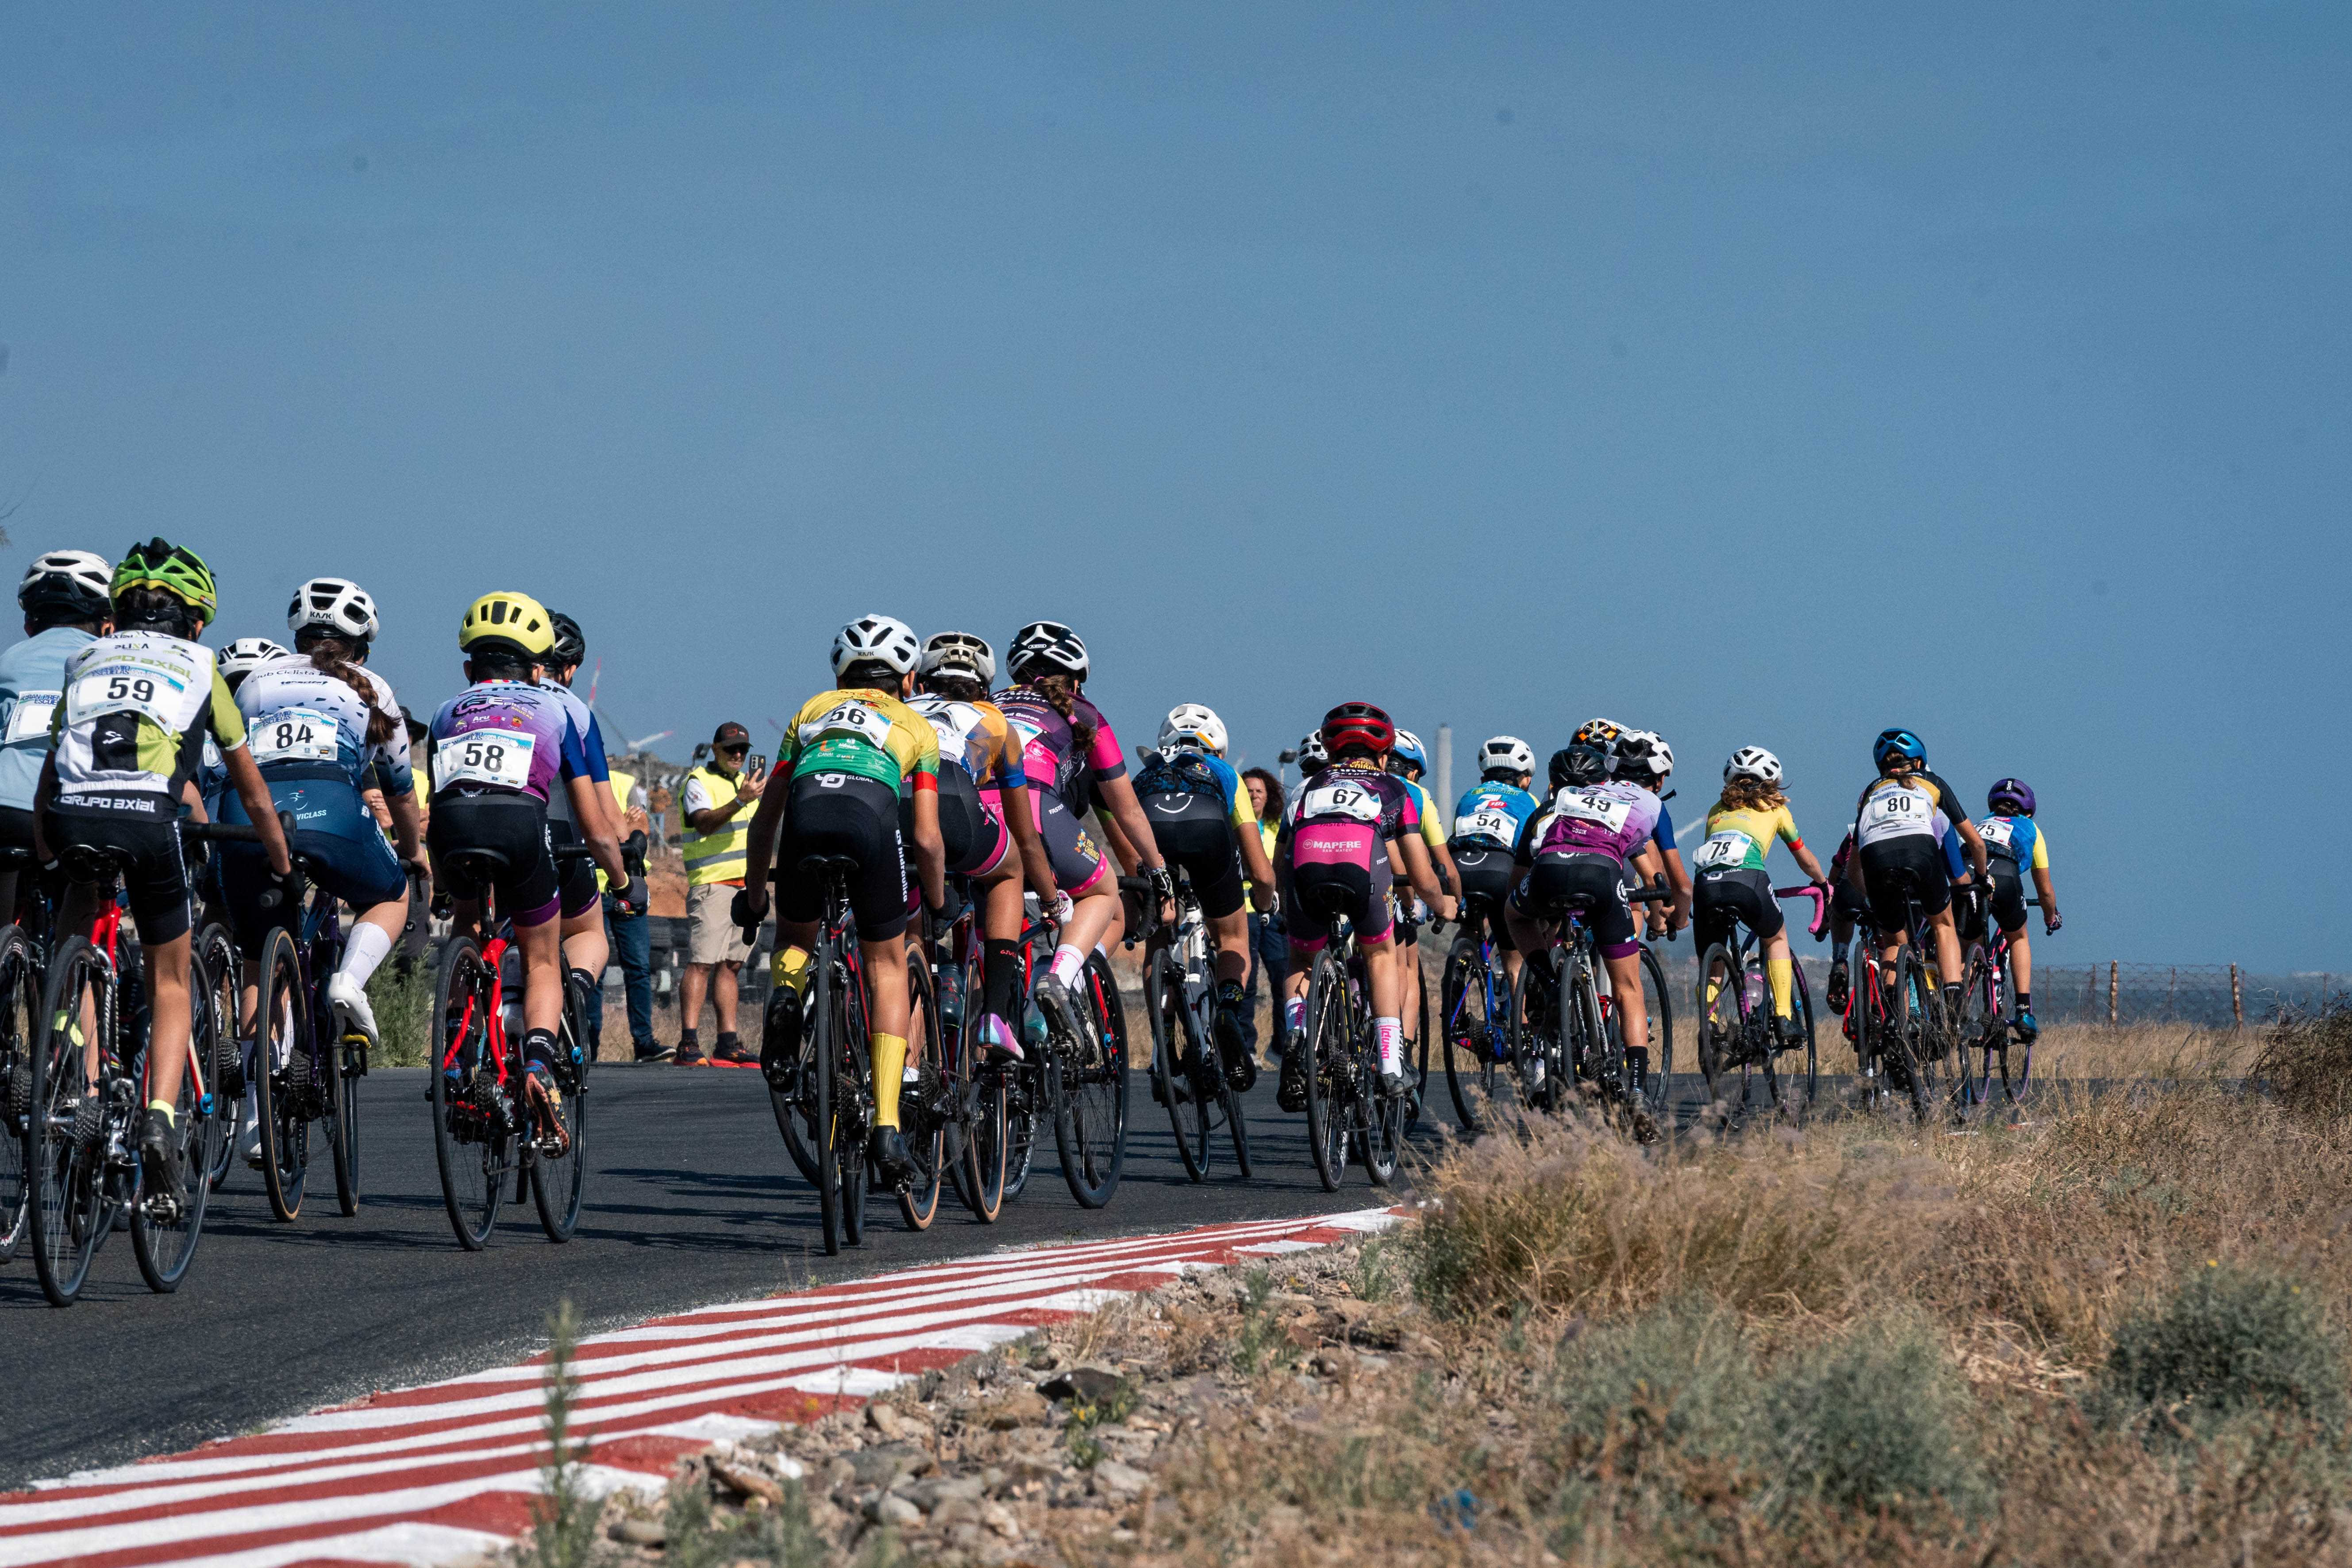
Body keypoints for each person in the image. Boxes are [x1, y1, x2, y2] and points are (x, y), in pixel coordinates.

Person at [34, 539, 293, 1214]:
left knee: (77, 920)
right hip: (151, 819)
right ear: (198, 621)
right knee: (171, 980)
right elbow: (251, 786)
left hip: (72, 814)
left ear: (118, 613)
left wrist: (46, 841)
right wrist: (279, 857)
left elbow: (51, 767)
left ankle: (79, 1079)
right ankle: (159, 1117)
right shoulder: (202, 665)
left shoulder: (81, 656)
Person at [734, 613, 946, 1184]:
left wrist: (754, 899)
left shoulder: (810, 711)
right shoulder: (916, 726)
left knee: (797, 937)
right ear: (907, 679)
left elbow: (764, 821)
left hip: (806, 817)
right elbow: (925, 837)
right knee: (885, 966)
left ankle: (785, 994)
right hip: (870, 822)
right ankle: (885, 1124)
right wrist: (937, 897)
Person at [426, 592, 640, 1141]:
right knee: (549, 956)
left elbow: (439, 803)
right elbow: (598, 825)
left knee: (468, 930)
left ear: (469, 667)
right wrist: (622, 882)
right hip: (530, 829)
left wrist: (443, 890)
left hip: (452, 833)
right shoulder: (564, 708)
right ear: (541, 667)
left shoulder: (446, 709)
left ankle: (456, 1052)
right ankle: (541, 1062)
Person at [990, 621, 1174, 1039]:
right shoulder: (1084, 713)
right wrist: (1157, 869)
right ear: (1077, 679)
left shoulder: (989, 704)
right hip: (1034, 806)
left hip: (975, 816)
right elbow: (1126, 810)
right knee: (1102, 892)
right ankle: (1060, 979)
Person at [1275, 702, 1455, 1106]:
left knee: (1302, 960)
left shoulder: (1305, 787)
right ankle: (1391, 1063)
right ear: (1384, 753)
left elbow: (1279, 859)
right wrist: (1442, 905)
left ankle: (1298, 1034)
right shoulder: (1394, 788)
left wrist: (1285, 907)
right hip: (1362, 870)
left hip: (1306, 869)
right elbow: (1420, 871)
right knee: (1379, 956)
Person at [905, 631, 1057, 1069]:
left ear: (920, 682)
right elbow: (1025, 836)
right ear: (985, 688)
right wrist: (1048, 899)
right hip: (951, 802)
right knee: (1007, 870)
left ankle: (907, 1070)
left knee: (905, 949)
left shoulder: (901, 710)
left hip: (890, 810)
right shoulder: (993, 720)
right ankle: (994, 1015)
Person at [1505, 741, 1664, 1096]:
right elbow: (1651, 875)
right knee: (1628, 989)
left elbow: (1516, 883)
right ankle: (1637, 1091)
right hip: (1604, 881)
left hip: (1549, 876)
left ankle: (1549, 983)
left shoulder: (1548, 809)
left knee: (1516, 916)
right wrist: (1660, 907)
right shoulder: (1620, 806)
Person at [1134, 703, 1278, 1089]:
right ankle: (1229, 1009)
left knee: (1158, 942)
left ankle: (1163, 1043)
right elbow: (1260, 869)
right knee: (1233, 938)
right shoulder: (1224, 773)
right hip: (1207, 828)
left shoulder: (1145, 772)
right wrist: (1264, 901)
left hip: (1152, 826)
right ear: (1217, 745)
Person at [1845, 728, 1988, 1025]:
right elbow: (1975, 843)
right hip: (1920, 849)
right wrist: (1984, 878)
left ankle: (1894, 1014)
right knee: (1943, 925)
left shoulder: (1870, 791)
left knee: (1893, 942)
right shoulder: (1932, 782)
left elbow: (1852, 867)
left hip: (1875, 857)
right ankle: (1954, 1005)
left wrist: (1871, 897)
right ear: (1919, 762)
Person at [0, 551, 113, 922]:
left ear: (30, 623)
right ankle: (72, 976)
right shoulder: (104, 662)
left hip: (4, 808)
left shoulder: (9, 660)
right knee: (82, 904)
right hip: (68, 812)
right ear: (107, 624)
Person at [1690, 747, 1831, 1045]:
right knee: (1776, 937)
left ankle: (1709, 1025)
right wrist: (1823, 883)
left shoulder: (1717, 809)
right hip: (1748, 880)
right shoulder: (1776, 809)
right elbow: (1804, 858)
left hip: (1704, 886)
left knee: (1713, 959)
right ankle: (1782, 1017)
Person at [677, 721, 766, 1064]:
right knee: (701, 963)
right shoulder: (699, 781)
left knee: (731, 965)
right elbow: (703, 822)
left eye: (743, 749)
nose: (738, 755)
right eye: (731, 749)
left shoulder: (749, 787)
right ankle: (688, 1041)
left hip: (745, 887)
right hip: (712, 885)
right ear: (715, 749)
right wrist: (739, 801)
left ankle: (727, 1041)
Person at [1973, 778, 2062, 1042]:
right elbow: (2044, 890)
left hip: (1969, 875)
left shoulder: (1980, 824)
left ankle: (1954, 1011)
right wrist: (2051, 916)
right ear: (2029, 811)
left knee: (1967, 945)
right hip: (2005, 876)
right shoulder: (2030, 827)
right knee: (2019, 937)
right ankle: (2024, 1011)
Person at [1448, 735, 1540, 990]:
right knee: (1514, 959)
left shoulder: (1468, 797)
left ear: (1484, 778)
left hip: (1460, 868)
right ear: (1525, 779)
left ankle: (1457, 968)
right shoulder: (1530, 801)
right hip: (1500, 871)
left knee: (1469, 927)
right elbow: (1533, 853)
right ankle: (1520, 1026)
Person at [590, 762, 661, 1060]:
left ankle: (644, 1042)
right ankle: (588, 1044)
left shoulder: (624, 782)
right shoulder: (569, 780)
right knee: (593, 969)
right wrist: (620, 822)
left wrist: (624, 826)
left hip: (629, 884)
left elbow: (641, 827)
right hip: (591, 888)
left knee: (639, 967)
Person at [1237, 767, 1287, 1061]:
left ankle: (1282, 1047)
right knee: (1247, 983)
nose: (1254, 796)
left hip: (1274, 914)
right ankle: (1246, 1048)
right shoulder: (1234, 825)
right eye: (1249, 790)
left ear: (1268, 797)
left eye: (1259, 791)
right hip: (1243, 914)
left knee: (1283, 979)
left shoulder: (1276, 827)